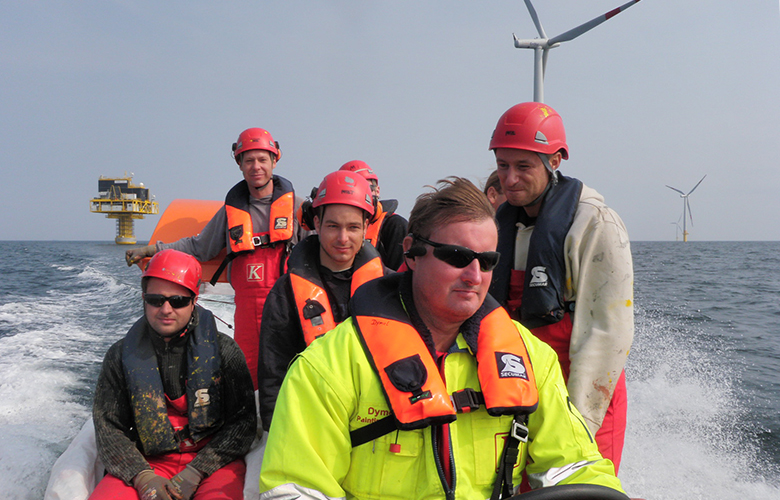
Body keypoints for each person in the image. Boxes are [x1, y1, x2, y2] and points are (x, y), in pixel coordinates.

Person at [258, 177, 625, 500]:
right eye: (457, 256)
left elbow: (575, 469)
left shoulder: (532, 360)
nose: (475, 275)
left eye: (487, 260)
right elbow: (297, 491)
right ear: (411, 253)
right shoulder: (327, 368)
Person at [488, 102, 634, 472]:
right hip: (521, 389)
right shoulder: (499, 225)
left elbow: (607, 329)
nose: (510, 179)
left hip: (584, 391)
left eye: (523, 166)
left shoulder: (596, 223)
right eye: (503, 165)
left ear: (555, 161)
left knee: (578, 489)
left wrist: (578, 421)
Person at [125, 128, 309, 390]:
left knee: (292, 377)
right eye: (249, 160)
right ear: (239, 164)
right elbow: (199, 247)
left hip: (288, 308)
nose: (256, 166)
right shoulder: (229, 213)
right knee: (247, 378)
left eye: (262, 159)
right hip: (246, 313)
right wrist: (153, 250)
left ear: (274, 161)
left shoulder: (298, 209)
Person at [91, 249, 256, 500]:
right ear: (144, 298)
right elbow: (109, 428)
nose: (166, 309)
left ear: (194, 300)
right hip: (147, 461)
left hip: (213, 462)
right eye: (156, 300)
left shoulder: (225, 351)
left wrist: (197, 471)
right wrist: (142, 476)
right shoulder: (118, 356)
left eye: (177, 300)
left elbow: (242, 423)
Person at [257, 170, 388, 431]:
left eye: (353, 227)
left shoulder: (389, 289)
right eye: (333, 226)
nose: (343, 238)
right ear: (316, 223)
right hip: (311, 420)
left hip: (374, 423)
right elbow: (274, 372)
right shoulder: (285, 293)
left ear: (366, 227)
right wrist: (278, 431)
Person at [338, 160, 408, 270]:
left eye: (368, 189)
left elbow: (401, 278)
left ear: (377, 191)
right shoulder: (331, 230)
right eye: (357, 189)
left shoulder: (395, 226)